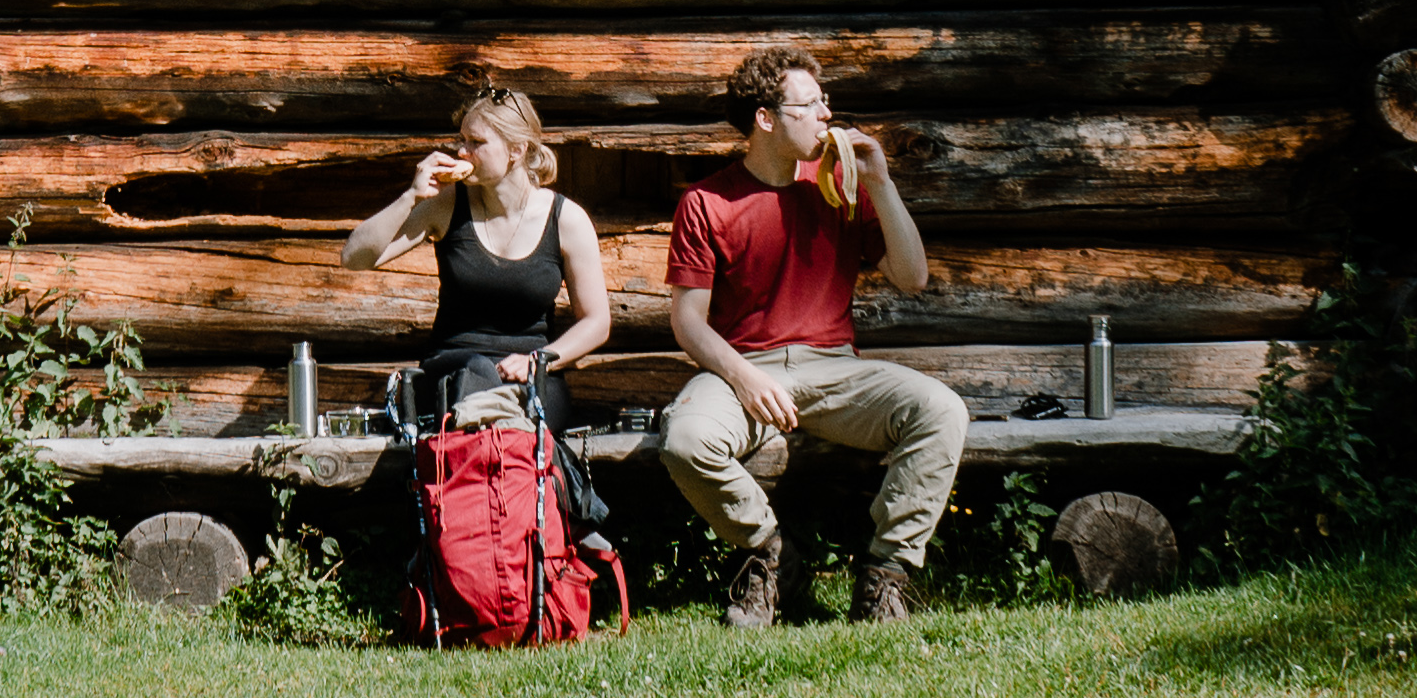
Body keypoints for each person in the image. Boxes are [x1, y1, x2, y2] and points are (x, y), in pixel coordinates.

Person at [659, 38, 966, 626]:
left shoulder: (841, 186)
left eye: (827, 102)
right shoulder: (707, 200)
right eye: (812, 105)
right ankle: (773, 559)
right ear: (766, 119)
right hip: (743, 371)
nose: (828, 115)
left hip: (836, 367)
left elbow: (913, 276)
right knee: (685, 441)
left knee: (941, 410)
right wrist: (744, 377)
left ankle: (885, 577)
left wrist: (880, 183)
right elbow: (688, 323)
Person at [341, 83, 612, 431]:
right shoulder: (447, 204)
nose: (461, 151)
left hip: (530, 377)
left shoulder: (566, 219)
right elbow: (355, 257)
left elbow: (597, 322)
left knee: (533, 405)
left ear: (516, 150)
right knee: (477, 373)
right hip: (452, 371)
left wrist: (538, 360)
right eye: (462, 139)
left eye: (476, 143)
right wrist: (411, 197)